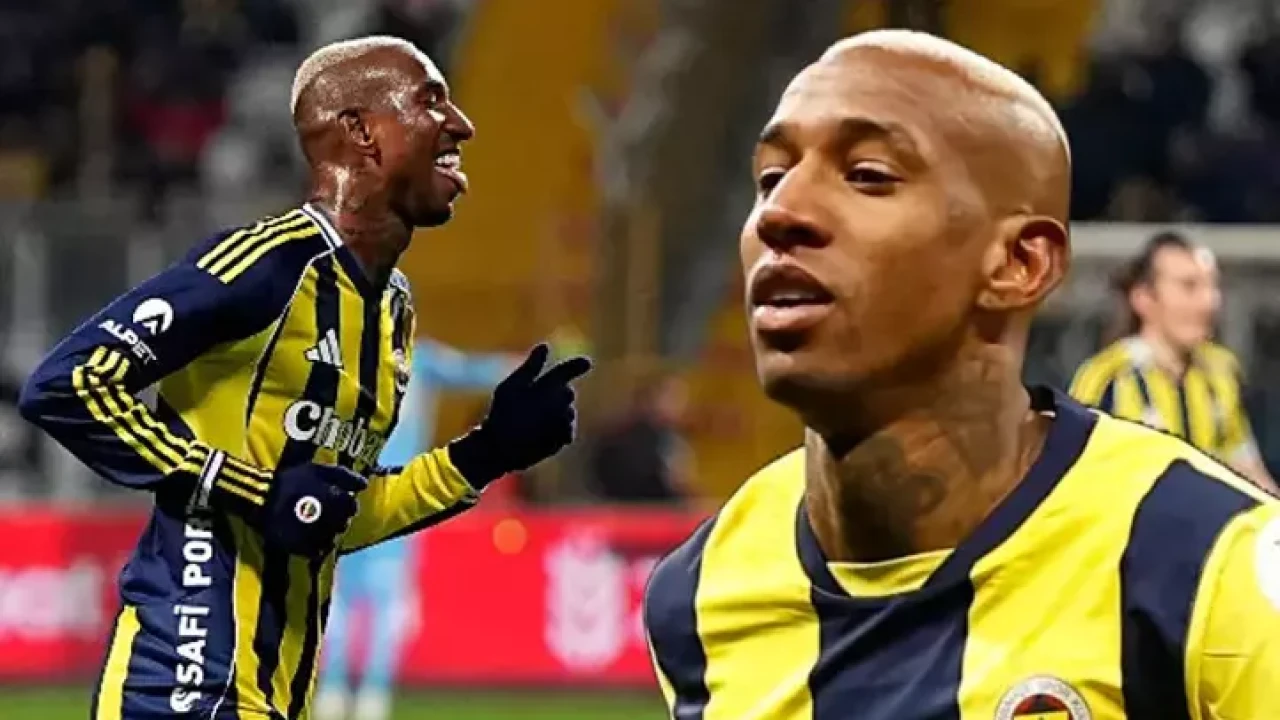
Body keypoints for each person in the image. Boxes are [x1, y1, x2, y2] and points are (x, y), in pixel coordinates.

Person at [644, 30, 1279, 719]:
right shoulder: (698, 597)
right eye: (770, 178)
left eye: (867, 175)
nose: (780, 213)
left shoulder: (1214, 569)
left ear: (1019, 264)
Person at [18, 36, 591, 720]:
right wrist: (254, 491)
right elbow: (67, 384)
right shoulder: (268, 265)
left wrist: (484, 454)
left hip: (276, 697)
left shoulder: (392, 309)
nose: (461, 125)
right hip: (182, 685)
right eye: (431, 102)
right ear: (362, 132)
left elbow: (326, 516)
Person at [315, 339, 515, 720]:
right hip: (351, 494)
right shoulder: (352, 353)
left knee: (380, 606)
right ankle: (336, 687)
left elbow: (473, 371)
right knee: (337, 601)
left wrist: (520, 365)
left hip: (395, 499)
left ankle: (369, 692)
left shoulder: (418, 358)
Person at [1070, 231, 1279, 493]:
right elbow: (1074, 478)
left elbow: (1247, 468)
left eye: (1213, 286)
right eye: (1189, 286)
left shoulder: (1222, 371)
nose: (1210, 301)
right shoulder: (1107, 378)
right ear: (1144, 298)